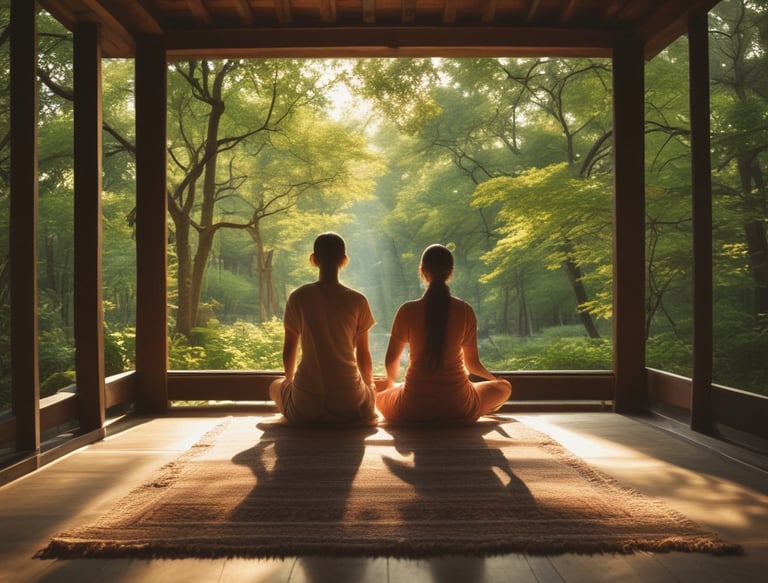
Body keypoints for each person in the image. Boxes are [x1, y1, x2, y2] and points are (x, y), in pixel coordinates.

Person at [376, 244, 511, 424]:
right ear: (451, 272)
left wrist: (392, 386)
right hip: (459, 406)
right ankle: (480, 406)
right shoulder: (465, 310)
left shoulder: (407, 310)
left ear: (422, 271)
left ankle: (403, 394)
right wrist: (495, 379)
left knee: (379, 397)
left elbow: (391, 361)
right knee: (505, 387)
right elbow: (472, 364)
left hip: (412, 407)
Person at [269, 232, 377, 425]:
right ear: (344, 260)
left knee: (275, 386)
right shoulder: (358, 300)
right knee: (370, 390)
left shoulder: (299, 297)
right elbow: (363, 353)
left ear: (313, 259)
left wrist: (289, 380)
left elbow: (289, 348)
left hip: (306, 405)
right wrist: (369, 385)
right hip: (349, 402)